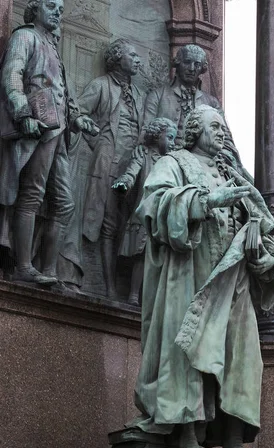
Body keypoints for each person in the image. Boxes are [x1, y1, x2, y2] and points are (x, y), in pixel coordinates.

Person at [130, 106, 274, 448]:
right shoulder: (174, 162)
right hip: (189, 274)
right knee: (187, 354)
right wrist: (208, 201)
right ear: (195, 129)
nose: (223, 133)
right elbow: (154, 205)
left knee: (240, 357)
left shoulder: (233, 173)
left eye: (225, 128)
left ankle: (233, 445)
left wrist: (264, 258)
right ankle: (186, 440)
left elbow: (265, 224)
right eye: (216, 127)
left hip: (235, 280)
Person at [0, 0, 98, 285]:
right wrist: (22, 113)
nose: (58, 12)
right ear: (35, 10)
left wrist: (77, 119)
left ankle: (50, 270)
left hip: (58, 133)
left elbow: (63, 93)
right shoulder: (25, 36)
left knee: (65, 203)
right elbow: (11, 75)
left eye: (61, 9)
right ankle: (23, 267)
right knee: (31, 194)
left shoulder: (52, 46)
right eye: (51, 6)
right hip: (36, 130)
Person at [79, 39, 145, 299]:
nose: (138, 60)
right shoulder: (100, 85)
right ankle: (108, 288)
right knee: (109, 225)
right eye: (133, 54)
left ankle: (130, 289)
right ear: (118, 58)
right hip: (109, 163)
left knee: (130, 225)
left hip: (136, 167)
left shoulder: (139, 95)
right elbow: (79, 114)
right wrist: (99, 145)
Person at [141, 44, 244, 171]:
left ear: (202, 68)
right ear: (178, 64)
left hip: (202, 165)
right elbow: (145, 135)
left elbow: (226, 140)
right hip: (164, 162)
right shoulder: (157, 95)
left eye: (197, 64)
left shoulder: (211, 102)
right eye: (187, 62)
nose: (192, 68)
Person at [112, 117, 177, 306]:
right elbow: (132, 172)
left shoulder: (172, 162)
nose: (173, 144)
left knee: (161, 257)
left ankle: (154, 298)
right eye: (170, 138)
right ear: (157, 137)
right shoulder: (144, 154)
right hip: (146, 213)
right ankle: (133, 294)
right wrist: (124, 183)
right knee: (141, 255)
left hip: (165, 216)